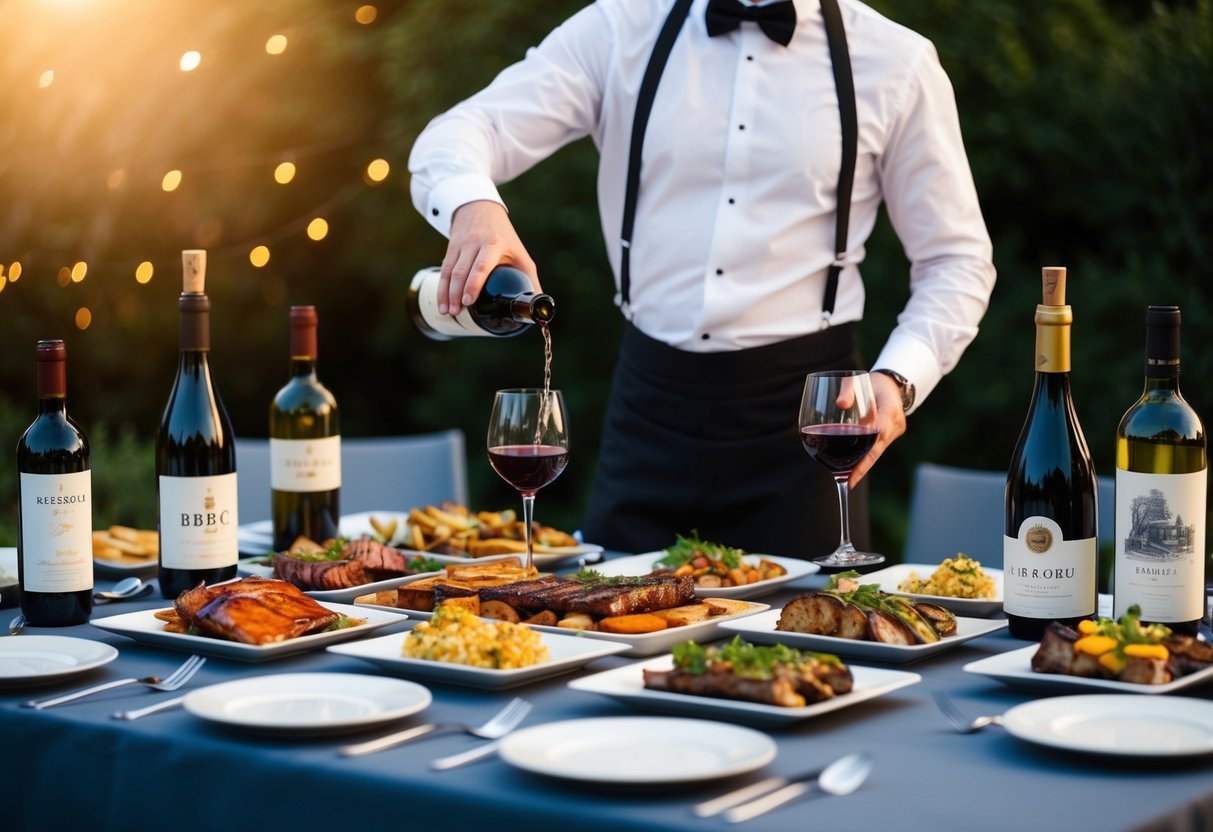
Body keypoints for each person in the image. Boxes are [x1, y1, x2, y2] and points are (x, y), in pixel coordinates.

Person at [408, 0, 996, 558]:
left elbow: (958, 258)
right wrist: (475, 208)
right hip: (648, 415)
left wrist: (899, 377)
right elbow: (461, 132)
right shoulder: (620, 28)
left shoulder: (897, 61)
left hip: (806, 431)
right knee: (604, 643)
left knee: (811, 659)